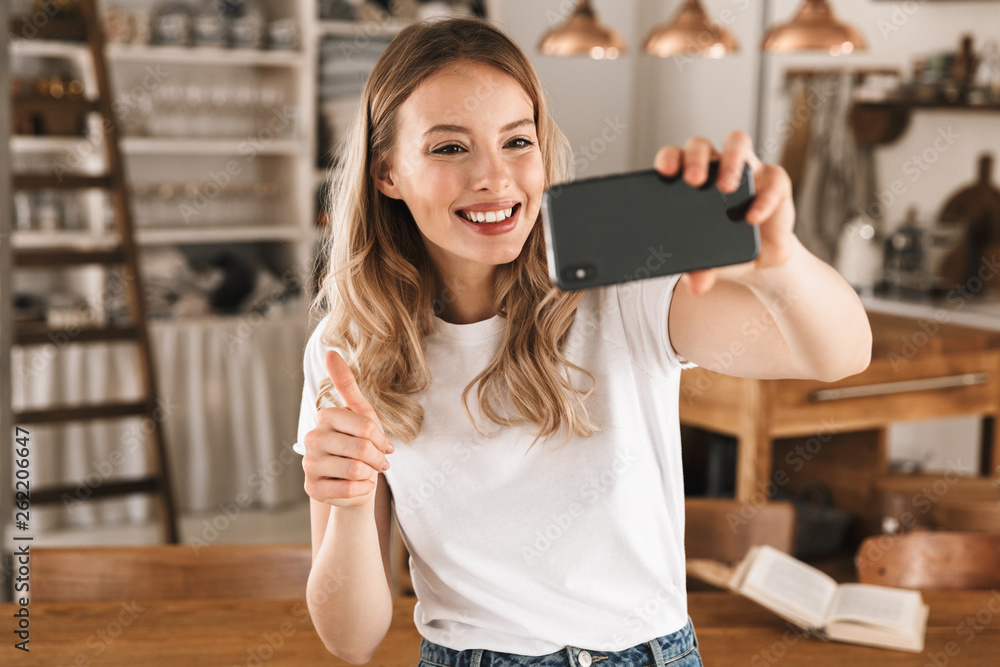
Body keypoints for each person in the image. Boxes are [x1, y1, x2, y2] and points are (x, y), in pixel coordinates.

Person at [296, 16, 872, 667]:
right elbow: (351, 639)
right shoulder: (348, 346)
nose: (495, 177)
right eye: (450, 148)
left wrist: (780, 259)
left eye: (518, 140)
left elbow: (842, 353)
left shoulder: (624, 292)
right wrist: (341, 504)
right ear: (387, 173)